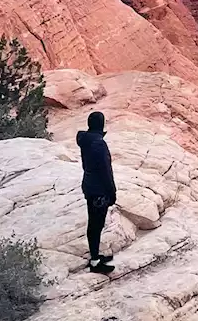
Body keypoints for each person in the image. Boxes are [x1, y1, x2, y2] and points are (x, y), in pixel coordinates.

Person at [76, 111, 116, 274]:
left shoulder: (85, 140)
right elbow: (105, 170)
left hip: (89, 185)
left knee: (95, 224)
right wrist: (112, 191)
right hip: (99, 189)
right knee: (96, 225)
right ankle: (94, 262)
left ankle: (95, 255)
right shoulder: (98, 143)